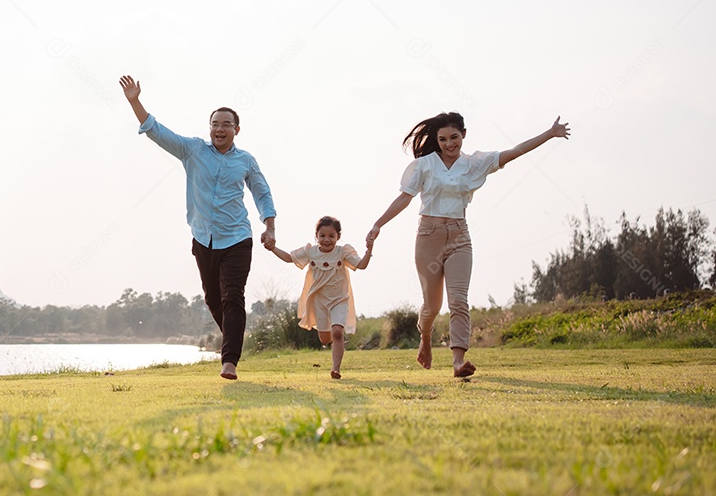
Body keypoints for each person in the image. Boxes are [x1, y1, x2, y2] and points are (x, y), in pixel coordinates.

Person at [365, 112, 570, 378]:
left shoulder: (474, 163)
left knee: (459, 300)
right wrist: (378, 224)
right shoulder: (424, 165)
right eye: (443, 139)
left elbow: (513, 152)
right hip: (428, 237)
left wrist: (549, 134)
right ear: (436, 140)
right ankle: (425, 337)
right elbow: (404, 198)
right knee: (432, 306)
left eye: (454, 137)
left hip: (460, 236)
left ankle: (458, 361)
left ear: (463, 135)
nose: (449, 143)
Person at [119, 75, 276, 380]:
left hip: (237, 238)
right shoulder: (192, 150)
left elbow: (262, 193)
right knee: (213, 300)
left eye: (226, 124)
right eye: (215, 123)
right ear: (210, 128)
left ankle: (229, 360)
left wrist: (269, 227)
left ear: (236, 130)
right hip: (203, 239)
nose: (219, 129)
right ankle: (234, 335)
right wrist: (134, 101)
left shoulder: (245, 160)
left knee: (233, 296)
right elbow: (156, 131)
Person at [266, 216, 371, 379]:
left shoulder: (343, 252)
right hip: (319, 301)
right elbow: (289, 258)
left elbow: (362, 265)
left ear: (338, 237)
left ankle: (336, 368)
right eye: (322, 236)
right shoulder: (310, 251)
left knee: (337, 332)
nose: (327, 240)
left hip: (339, 300)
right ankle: (334, 341)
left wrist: (369, 250)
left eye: (331, 236)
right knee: (324, 339)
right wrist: (273, 248)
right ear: (316, 236)